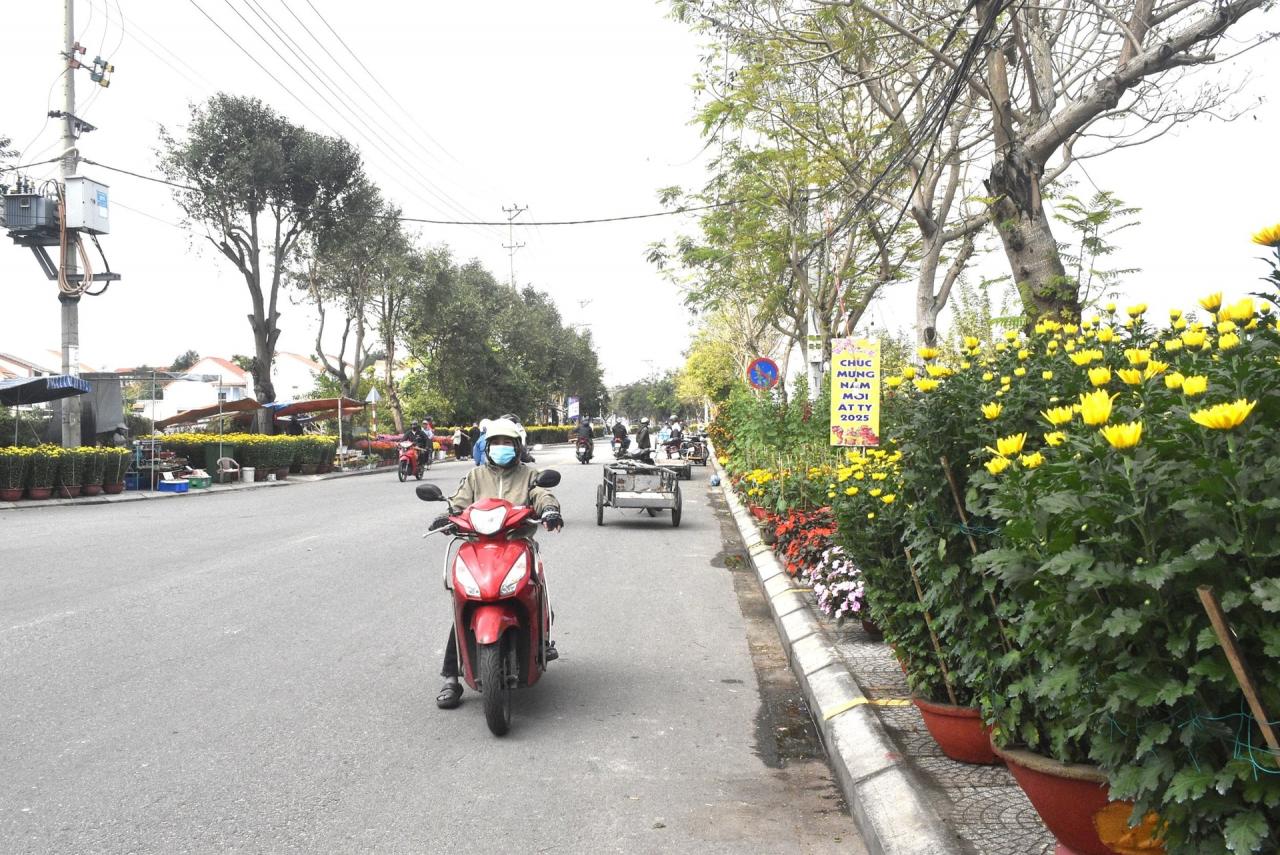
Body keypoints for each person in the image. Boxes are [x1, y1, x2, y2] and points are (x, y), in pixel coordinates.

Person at [432, 418, 563, 709]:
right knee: (465, 605)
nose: (501, 448)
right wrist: (447, 515)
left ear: (517, 447)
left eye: (507, 443)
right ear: (487, 447)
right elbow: (459, 501)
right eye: (496, 443)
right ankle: (451, 677)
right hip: (479, 546)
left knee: (534, 591)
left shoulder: (529, 475)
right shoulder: (476, 476)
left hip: (517, 544)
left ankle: (541, 641)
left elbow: (542, 494)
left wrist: (550, 510)